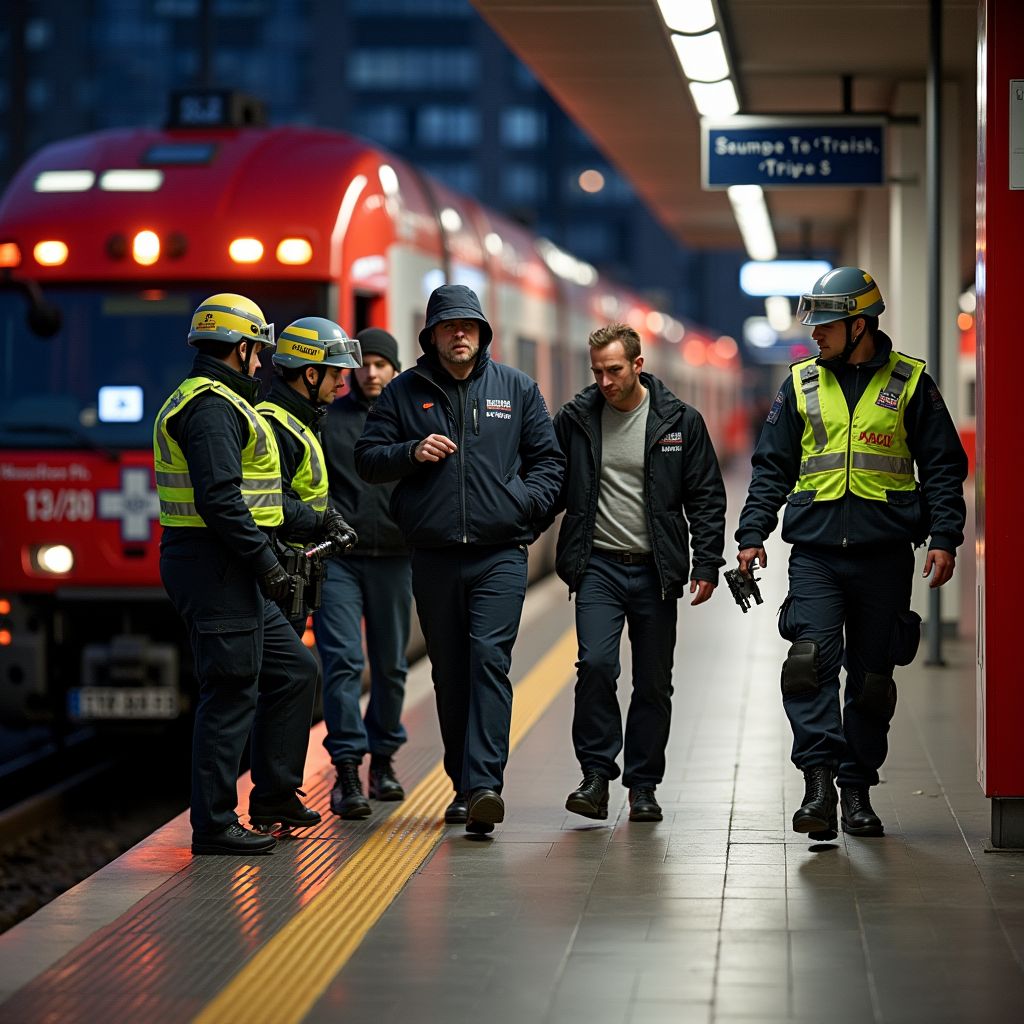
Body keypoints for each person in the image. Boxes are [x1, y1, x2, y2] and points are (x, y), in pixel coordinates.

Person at [735, 267, 968, 840]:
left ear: (858, 325)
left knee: (871, 680)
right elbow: (772, 468)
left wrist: (945, 536)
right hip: (816, 552)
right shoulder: (801, 384)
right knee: (808, 662)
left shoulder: (911, 382)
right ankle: (818, 784)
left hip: (885, 555)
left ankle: (857, 789)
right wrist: (751, 534)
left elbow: (942, 467)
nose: (814, 333)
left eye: (825, 324)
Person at [354, 284, 564, 835]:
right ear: (432, 336)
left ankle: (485, 785)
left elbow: (550, 464)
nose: (460, 334)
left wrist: (523, 509)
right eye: (449, 327)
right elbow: (368, 460)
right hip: (434, 555)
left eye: (469, 326)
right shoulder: (403, 393)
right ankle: (462, 784)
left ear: (483, 333)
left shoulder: (516, 390)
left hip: (500, 554)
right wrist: (410, 452)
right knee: (450, 672)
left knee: (488, 660)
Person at [154, 294, 330, 856]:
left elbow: (255, 503)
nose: (262, 360)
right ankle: (214, 825)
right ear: (244, 347)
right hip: (215, 565)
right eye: (258, 348)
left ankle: (274, 795)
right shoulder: (210, 408)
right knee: (230, 690)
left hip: (229, 563)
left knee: (294, 670)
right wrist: (269, 565)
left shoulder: (225, 399)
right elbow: (221, 502)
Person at [546, 322, 726, 823]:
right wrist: (513, 526)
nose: (605, 381)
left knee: (653, 683)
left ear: (638, 365)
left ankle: (643, 785)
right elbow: (551, 484)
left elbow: (707, 496)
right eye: (597, 372)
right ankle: (596, 776)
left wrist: (707, 562)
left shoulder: (679, 422)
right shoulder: (577, 419)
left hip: (655, 571)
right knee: (597, 666)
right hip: (597, 564)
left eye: (615, 370)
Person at [315, 328, 413, 819]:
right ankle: (349, 768)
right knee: (343, 663)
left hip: (396, 559)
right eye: (364, 364)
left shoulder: (411, 418)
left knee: (392, 666)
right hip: (340, 561)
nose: (372, 372)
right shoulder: (329, 420)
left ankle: (385, 761)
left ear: (395, 369)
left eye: (381, 364)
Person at [256, 317, 360, 635]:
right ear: (311, 374)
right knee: (293, 675)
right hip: (276, 576)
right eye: (335, 374)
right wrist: (321, 521)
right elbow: (270, 503)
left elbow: (303, 493)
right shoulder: (275, 425)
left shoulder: (301, 420)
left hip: (294, 574)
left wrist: (333, 519)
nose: (341, 384)